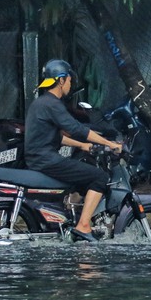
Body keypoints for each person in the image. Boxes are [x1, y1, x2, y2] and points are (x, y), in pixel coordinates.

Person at [25, 59, 122, 242]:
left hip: (39, 158)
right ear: (61, 80)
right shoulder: (52, 104)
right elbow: (77, 129)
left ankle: (70, 218)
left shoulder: (41, 103)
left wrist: (83, 146)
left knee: (81, 176)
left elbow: (54, 136)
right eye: (69, 80)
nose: (70, 84)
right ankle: (84, 225)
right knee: (99, 177)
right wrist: (109, 144)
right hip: (47, 160)